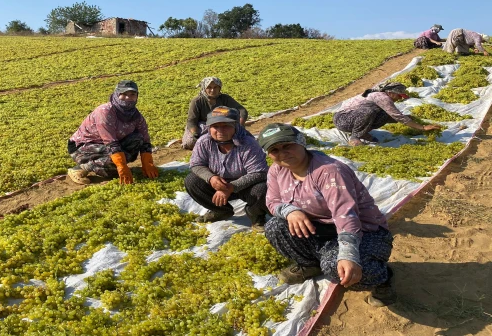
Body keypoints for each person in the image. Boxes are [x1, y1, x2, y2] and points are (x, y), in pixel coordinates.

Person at [258, 123, 395, 307]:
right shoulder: (277, 170)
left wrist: (348, 254)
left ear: (301, 142)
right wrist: (290, 211)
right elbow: (272, 201)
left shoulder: (329, 171)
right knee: (275, 226)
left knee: (335, 267)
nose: (282, 153)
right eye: (274, 150)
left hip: (364, 231)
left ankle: (381, 277)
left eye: (287, 145)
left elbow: (346, 216)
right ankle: (310, 264)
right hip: (321, 229)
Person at [184, 106, 269, 228]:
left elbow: (260, 172)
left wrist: (231, 187)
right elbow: (196, 164)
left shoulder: (248, 143)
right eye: (215, 126)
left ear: (235, 125)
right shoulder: (204, 142)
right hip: (217, 184)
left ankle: (256, 215)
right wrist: (211, 178)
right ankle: (221, 211)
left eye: (226, 126)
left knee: (262, 188)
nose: (220, 130)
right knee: (192, 181)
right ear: (209, 127)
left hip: (246, 187)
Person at [67, 80, 159, 185]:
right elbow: (110, 141)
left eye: (132, 94)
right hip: (83, 146)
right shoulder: (105, 111)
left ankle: (113, 168)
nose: (128, 98)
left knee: (137, 139)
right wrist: (121, 165)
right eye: (123, 94)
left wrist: (147, 163)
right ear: (116, 94)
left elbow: (145, 140)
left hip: (108, 145)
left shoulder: (136, 116)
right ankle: (79, 168)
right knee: (112, 162)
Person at [333, 81, 441, 146]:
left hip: (354, 118)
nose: (399, 99)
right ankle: (355, 137)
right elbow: (397, 116)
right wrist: (422, 127)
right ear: (390, 93)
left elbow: (393, 116)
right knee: (369, 111)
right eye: (399, 96)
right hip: (343, 119)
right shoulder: (382, 97)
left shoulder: (383, 97)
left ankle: (362, 132)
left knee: (384, 114)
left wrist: (407, 119)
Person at [181, 77, 249, 150]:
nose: (212, 90)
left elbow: (242, 111)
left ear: (219, 88)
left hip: (223, 124)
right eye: (209, 87)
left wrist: (239, 126)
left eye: (215, 87)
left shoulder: (224, 99)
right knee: (193, 143)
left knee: (244, 140)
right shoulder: (197, 101)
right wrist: (195, 134)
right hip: (203, 127)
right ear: (204, 88)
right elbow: (191, 121)